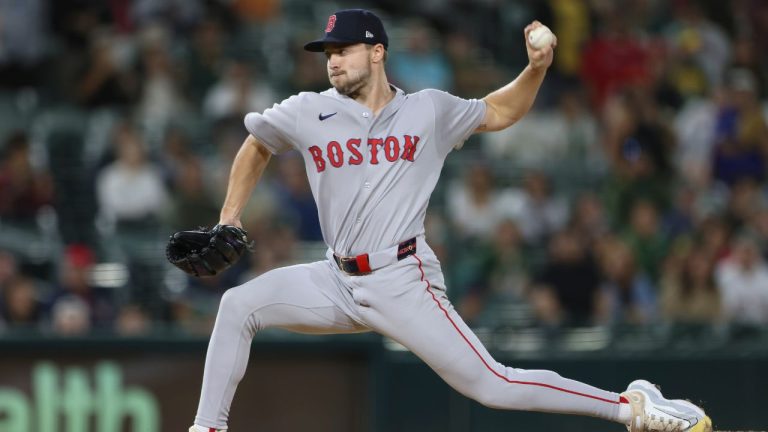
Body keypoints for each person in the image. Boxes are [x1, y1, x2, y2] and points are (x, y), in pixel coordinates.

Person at [189, 9, 711, 432]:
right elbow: (257, 143)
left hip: (401, 278)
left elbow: (501, 112)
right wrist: (229, 217)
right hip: (334, 278)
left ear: (377, 52)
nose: (333, 61)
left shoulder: (428, 111)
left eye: (343, 49)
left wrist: (536, 69)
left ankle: (631, 405)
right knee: (237, 306)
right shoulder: (308, 110)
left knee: (494, 386)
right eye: (328, 52)